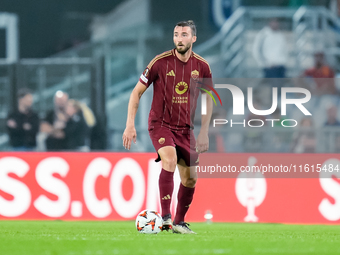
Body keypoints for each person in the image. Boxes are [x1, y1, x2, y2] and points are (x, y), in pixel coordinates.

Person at [122, 20, 213, 234]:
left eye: (184, 35)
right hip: (160, 124)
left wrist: (204, 132)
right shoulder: (159, 62)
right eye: (176, 34)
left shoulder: (202, 67)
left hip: (186, 129)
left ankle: (179, 223)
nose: (179, 39)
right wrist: (129, 125)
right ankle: (165, 218)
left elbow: (209, 100)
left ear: (193, 39)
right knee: (169, 159)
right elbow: (136, 92)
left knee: (190, 178)